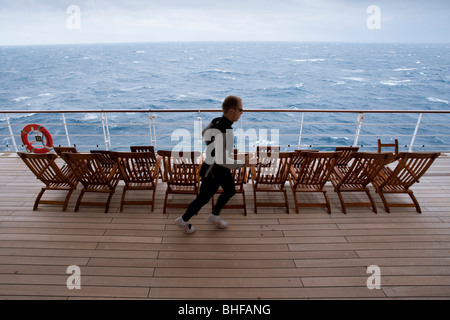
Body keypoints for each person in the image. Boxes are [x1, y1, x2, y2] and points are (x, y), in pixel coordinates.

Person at [175, 95, 246, 234]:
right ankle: (183, 220)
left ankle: (214, 215)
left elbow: (204, 133)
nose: (241, 113)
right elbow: (221, 160)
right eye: (240, 109)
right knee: (203, 199)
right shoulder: (226, 131)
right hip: (213, 172)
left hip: (222, 170)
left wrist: (212, 147)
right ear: (232, 110)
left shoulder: (217, 120)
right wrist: (243, 163)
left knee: (230, 190)